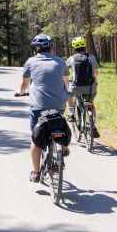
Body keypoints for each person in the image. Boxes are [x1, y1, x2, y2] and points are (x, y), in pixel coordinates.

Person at [15, 33, 71, 182]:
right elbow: (66, 82)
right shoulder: (61, 62)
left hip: (38, 106)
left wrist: (20, 93)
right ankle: (63, 145)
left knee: (35, 138)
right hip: (59, 104)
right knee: (58, 121)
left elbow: (24, 84)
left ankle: (36, 172)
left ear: (36, 49)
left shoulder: (30, 62)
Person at [66, 36, 100, 138]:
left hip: (76, 87)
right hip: (91, 88)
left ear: (74, 47)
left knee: (68, 93)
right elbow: (96, 73)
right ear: (85, 46)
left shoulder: (71, 59)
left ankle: (71, 113)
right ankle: (93, 125)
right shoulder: (92, 58)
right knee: (90, 103)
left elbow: (64, 72)